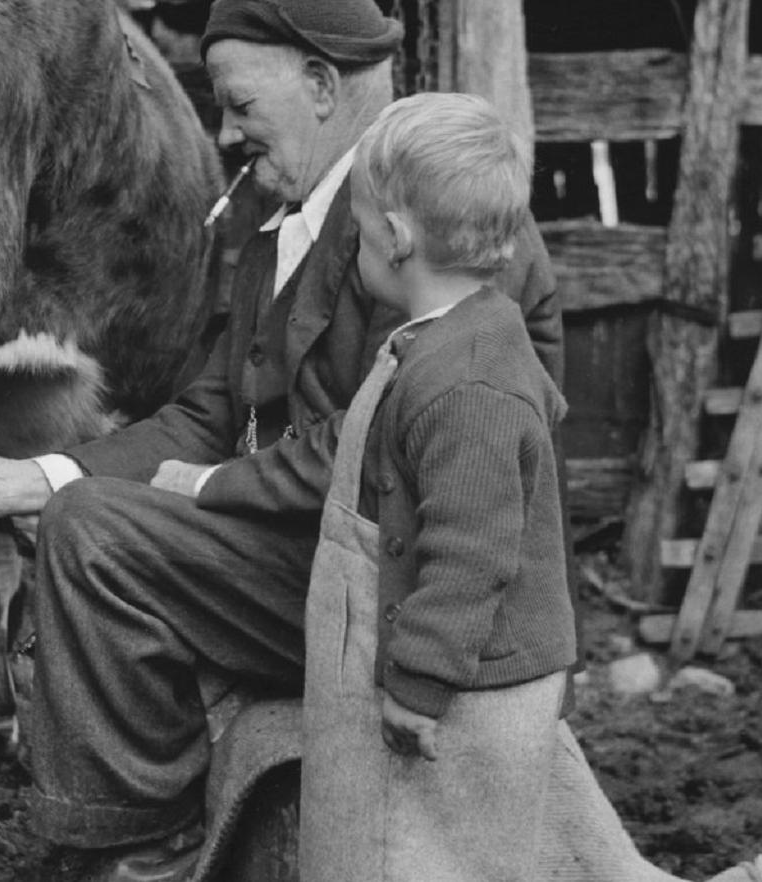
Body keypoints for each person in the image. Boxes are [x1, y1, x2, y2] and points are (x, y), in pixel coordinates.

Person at [0, 1, 561, 878]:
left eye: (240, 103)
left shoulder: (446, 227)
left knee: (96, 534)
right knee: (83, 519)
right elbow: (211, 411)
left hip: (402, 592)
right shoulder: (277, 222)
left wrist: (199, 490)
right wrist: (34, 479)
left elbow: (370, 448)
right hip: (308, 568)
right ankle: (127, 839)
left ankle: (145, 855)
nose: (224, 130)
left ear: (322, 84)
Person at [303, 90, 575, 881]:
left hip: (476, 691)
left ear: (394, 237)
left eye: (358, 226)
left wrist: (418, 684)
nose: (357, 241)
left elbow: (471, 555)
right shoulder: (443, 341)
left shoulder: (468, 387)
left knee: (448, 856)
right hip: (460, 669)